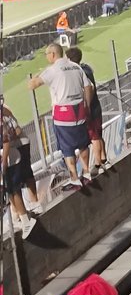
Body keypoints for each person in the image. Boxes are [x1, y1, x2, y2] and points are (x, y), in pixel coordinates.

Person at [27, 42, 93, 189]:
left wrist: (39, 73)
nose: (46, 57)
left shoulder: (52, 70)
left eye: (46, 54)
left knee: (67, 148)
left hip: (63, 114)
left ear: (52, 54)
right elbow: (88, 86)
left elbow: (31, 85)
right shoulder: (75, 66)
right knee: (83, 144)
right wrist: (87, 105)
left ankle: (74, 178)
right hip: (79, 109)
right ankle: (87, 172)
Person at [66, 47, 109, 172]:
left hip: (90, 109)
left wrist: (86, 105)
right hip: (96, 106)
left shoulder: (80, 72)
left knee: (94, 137)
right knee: (98, 134)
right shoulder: (86, 68)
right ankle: (103, 158)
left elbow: (90, 87)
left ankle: (97, 164)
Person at [2, 105, 37, 238]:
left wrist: (4, 161)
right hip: (10, 157)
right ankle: (20, 217)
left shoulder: (3, 113)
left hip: (11, 158)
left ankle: (25, 219)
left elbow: (7, 139)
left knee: (14, 189)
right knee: (10, 190)